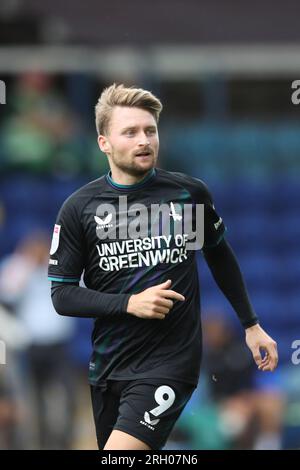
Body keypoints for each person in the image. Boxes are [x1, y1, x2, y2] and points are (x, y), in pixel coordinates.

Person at [48, 83, 278, 451]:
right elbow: (62, 295)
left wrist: (251, 324)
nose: (144, 140)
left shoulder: (187, 195)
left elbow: (220, 256)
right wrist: (129, 303)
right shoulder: (79, 208)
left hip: (170, 364)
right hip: (109, 367)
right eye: (130, 132)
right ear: (104, 142)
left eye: (150, 130)